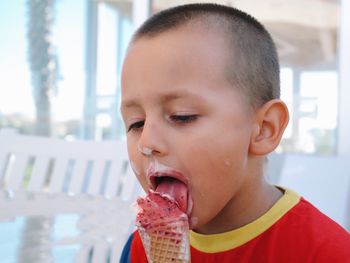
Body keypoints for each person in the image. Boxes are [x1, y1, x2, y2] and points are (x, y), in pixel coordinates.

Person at [119, 3, 350, 262]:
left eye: (182, 116)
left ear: (263, 129)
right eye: (136, 123)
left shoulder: (326, 253)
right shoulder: (142, 246)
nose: (147, 143)